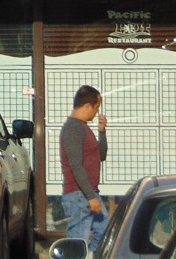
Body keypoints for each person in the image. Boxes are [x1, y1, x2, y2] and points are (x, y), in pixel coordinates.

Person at [60, 85, 108, 250]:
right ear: (87, 105)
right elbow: (76, 166)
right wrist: (90, 196)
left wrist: (102, 132)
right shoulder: (73, 128)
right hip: (79, 195)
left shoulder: (83, 128)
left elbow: (101, 155)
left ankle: (92, 254)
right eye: (96, 107)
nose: (96, 112)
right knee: (77, 243)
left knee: (105, 233)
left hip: (89, 193)